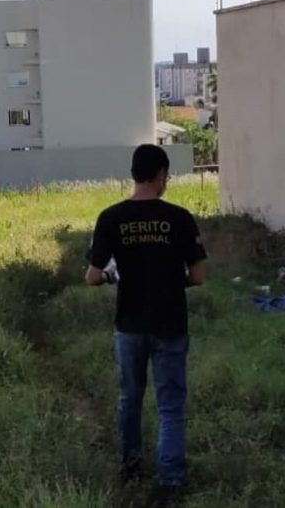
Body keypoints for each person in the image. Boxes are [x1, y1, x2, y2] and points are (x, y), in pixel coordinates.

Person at [85, 144, 207, 502]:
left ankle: (130, 466)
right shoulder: (180, 218)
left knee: (130, 398)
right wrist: (172, 279)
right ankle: (170, 482)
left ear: (134, 174)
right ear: (160, 176)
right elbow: (198, 276)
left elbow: (92, 276)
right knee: (170, 405)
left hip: (129, 325)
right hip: (170, 323)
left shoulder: (111, 218)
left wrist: (113, 278)